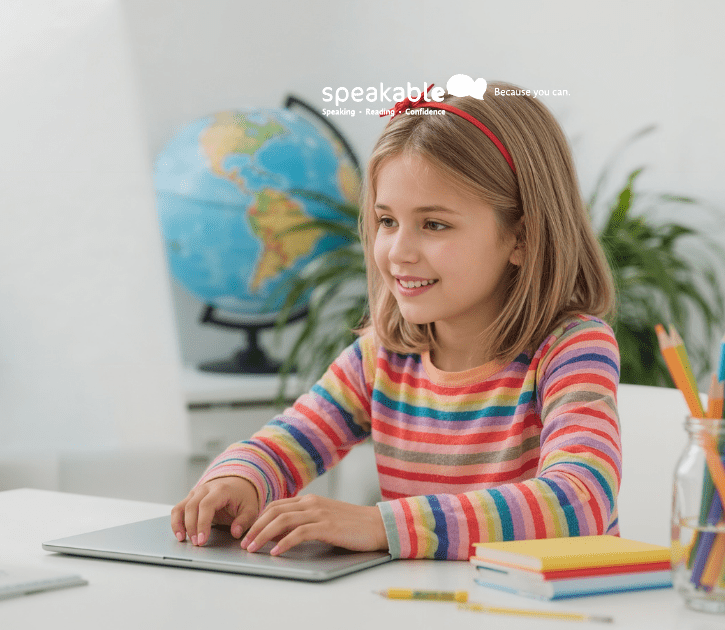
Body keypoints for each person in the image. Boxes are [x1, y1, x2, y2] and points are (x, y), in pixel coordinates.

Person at [171, 80, 622, 560]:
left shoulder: (571, 350)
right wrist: (236, 477)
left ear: (522, 238)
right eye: (387, 221)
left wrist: (380, 524)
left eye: (434, 224)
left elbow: (580, 501)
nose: (399, 252)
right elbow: (290, 439)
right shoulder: (382, 358)